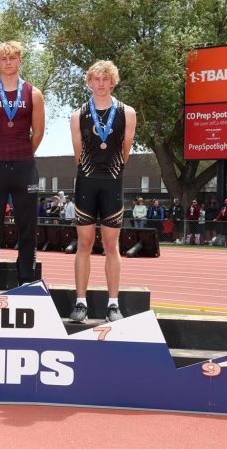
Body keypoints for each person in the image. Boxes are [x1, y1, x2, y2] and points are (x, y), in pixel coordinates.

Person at [68, 60, 136, 323]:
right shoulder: (78, 115)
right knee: (84, 243)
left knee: (111, 245)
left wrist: (111, 170)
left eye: (105, 79)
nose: (100, 83)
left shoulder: (127, 112)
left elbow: (125, 150)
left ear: (113, 81)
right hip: (86, 181)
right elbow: (78, 154)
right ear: (89, 82)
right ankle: (80, 303)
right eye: (96, 79)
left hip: (113, 182)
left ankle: (113, 305)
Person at [0, 41, 44, 294]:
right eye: (3, 59)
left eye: (12, 58)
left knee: (28, 225)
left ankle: (25, 277)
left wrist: (22, 154)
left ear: (20, 60)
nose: (8, 63)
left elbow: (38, 132)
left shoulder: (33, 94)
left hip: (25, 166)